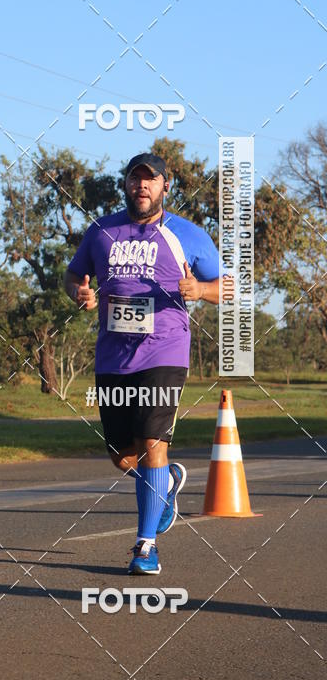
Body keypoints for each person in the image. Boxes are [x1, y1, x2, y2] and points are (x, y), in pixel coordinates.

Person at [64, 152, 227, 574]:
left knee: (152, 443)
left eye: (150, 179)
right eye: (135, 179)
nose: (142, 186)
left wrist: (200, 290)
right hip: (113, 355)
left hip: (164, 351)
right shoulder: (102, 231)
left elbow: (228, 288)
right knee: (123, 455)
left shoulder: (187, 234)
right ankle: (166, 482)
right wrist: (79, 294)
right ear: (126, 185)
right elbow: (73, 275)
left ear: (165, 186)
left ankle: (145, 546)